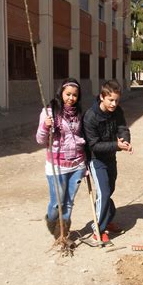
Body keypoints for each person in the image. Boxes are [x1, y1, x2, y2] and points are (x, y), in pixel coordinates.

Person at [82, 80, 133, 244]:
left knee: (108, 191)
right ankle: (98, 229)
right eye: (111, 100)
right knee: (103, 193)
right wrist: (116, 146)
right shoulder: (90, 116)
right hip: (96, 160)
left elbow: (122, 128)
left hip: (111, 157)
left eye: (117, 100)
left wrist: (125, 140)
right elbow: (94, 145)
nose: (114, 104)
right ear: (102, 97)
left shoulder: (118, 111)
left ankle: (107, 218)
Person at [36, 78, 86, 240]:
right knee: (57, 204)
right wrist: (45, 126)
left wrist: (85, 163)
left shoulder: (79, 113)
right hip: (57, 165)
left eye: (74, 95)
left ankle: (62, 236)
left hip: (77, 164)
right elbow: (40, 139)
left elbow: (80, 136)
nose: (71, 98)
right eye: (68, 94)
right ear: (61, 93)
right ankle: (51, 220)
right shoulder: (49, 112)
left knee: (69, 202)